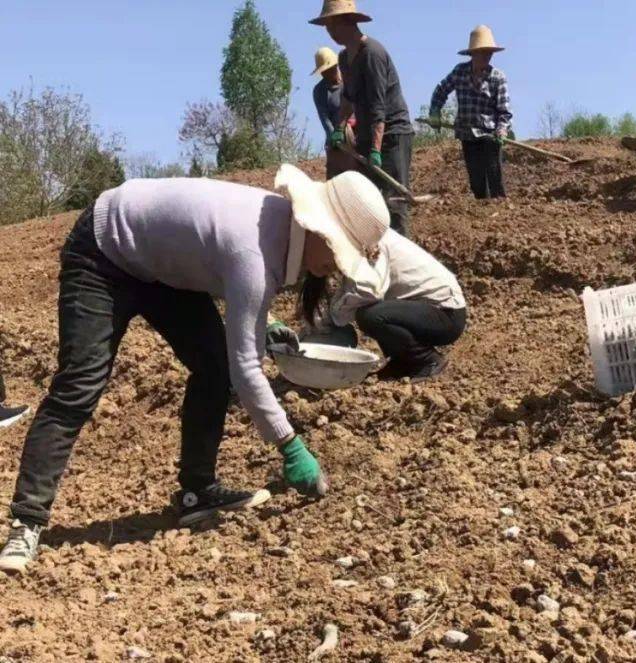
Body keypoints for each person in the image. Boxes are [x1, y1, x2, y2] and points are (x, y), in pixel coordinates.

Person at [0, 165, 391, 574]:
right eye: (337, 252)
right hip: (104, 250)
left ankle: (197, 492)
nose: (335, 266)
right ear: (317, 229)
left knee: (214, 366)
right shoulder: (255, 249)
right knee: (80, 384)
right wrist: (289, 446)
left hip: (159, 267)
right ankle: (26, 521)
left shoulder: (276, 235)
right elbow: (247, 364)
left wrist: (265, 322)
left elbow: (217, 266)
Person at [289, 229, 467, 381]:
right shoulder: (359, 240)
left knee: (371, 315)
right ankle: (402, 361)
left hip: (445, 314)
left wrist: (331, 319)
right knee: (373, 312)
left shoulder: (370, 243)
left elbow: (368, 292)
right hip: (425, 310)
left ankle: (427, 359)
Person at [311, 0, 415, 237]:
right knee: (369, 199)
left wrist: (376, 150)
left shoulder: (373, 54)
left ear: (348, 22)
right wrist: (339, 129)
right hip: (368, 134)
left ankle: (400, 258)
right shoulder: (345, 57)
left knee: (394, 202)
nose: (329, 32)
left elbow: (379, 106)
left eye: (332, 25)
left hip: (392, 134)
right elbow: (348, 98)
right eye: (327, 27)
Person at [429, 25, 513, 200]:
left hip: (490, 135)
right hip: (467, 133)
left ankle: (499, 207)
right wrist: (435, 111)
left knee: (493, 174)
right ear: (473, 54)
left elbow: (504, 110)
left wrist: (502, 129)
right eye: (482, 52)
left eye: (489, 53)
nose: (486, 56)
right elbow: (441, 90)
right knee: (476, 182)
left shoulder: (498, 77)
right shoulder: (459, 72)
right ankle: (482, 209)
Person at [311, 46, 351, 179]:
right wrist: (333, 134)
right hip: (335, 139)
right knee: (335, 178)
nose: (326, 73)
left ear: (336, 66)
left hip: (354, 134)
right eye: (323, 71)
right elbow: (324, 117)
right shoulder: (319, 91)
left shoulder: (349, 81)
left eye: (329, 69)